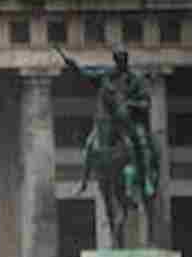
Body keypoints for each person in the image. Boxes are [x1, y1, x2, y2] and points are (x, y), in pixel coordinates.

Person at [57, 43, 159, 199]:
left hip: (128, 121)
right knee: (90, 144)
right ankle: (83, 182)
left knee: (137, 144)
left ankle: (145, 180)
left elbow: (146, 102)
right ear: (115, 60)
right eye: (118, 60)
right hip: (108, 122)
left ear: (127, 60)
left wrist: (130, 104)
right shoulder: (106, 76)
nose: (121, 63)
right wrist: (74, 66)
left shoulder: (135, 80)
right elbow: (85, 73)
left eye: (123, 59)